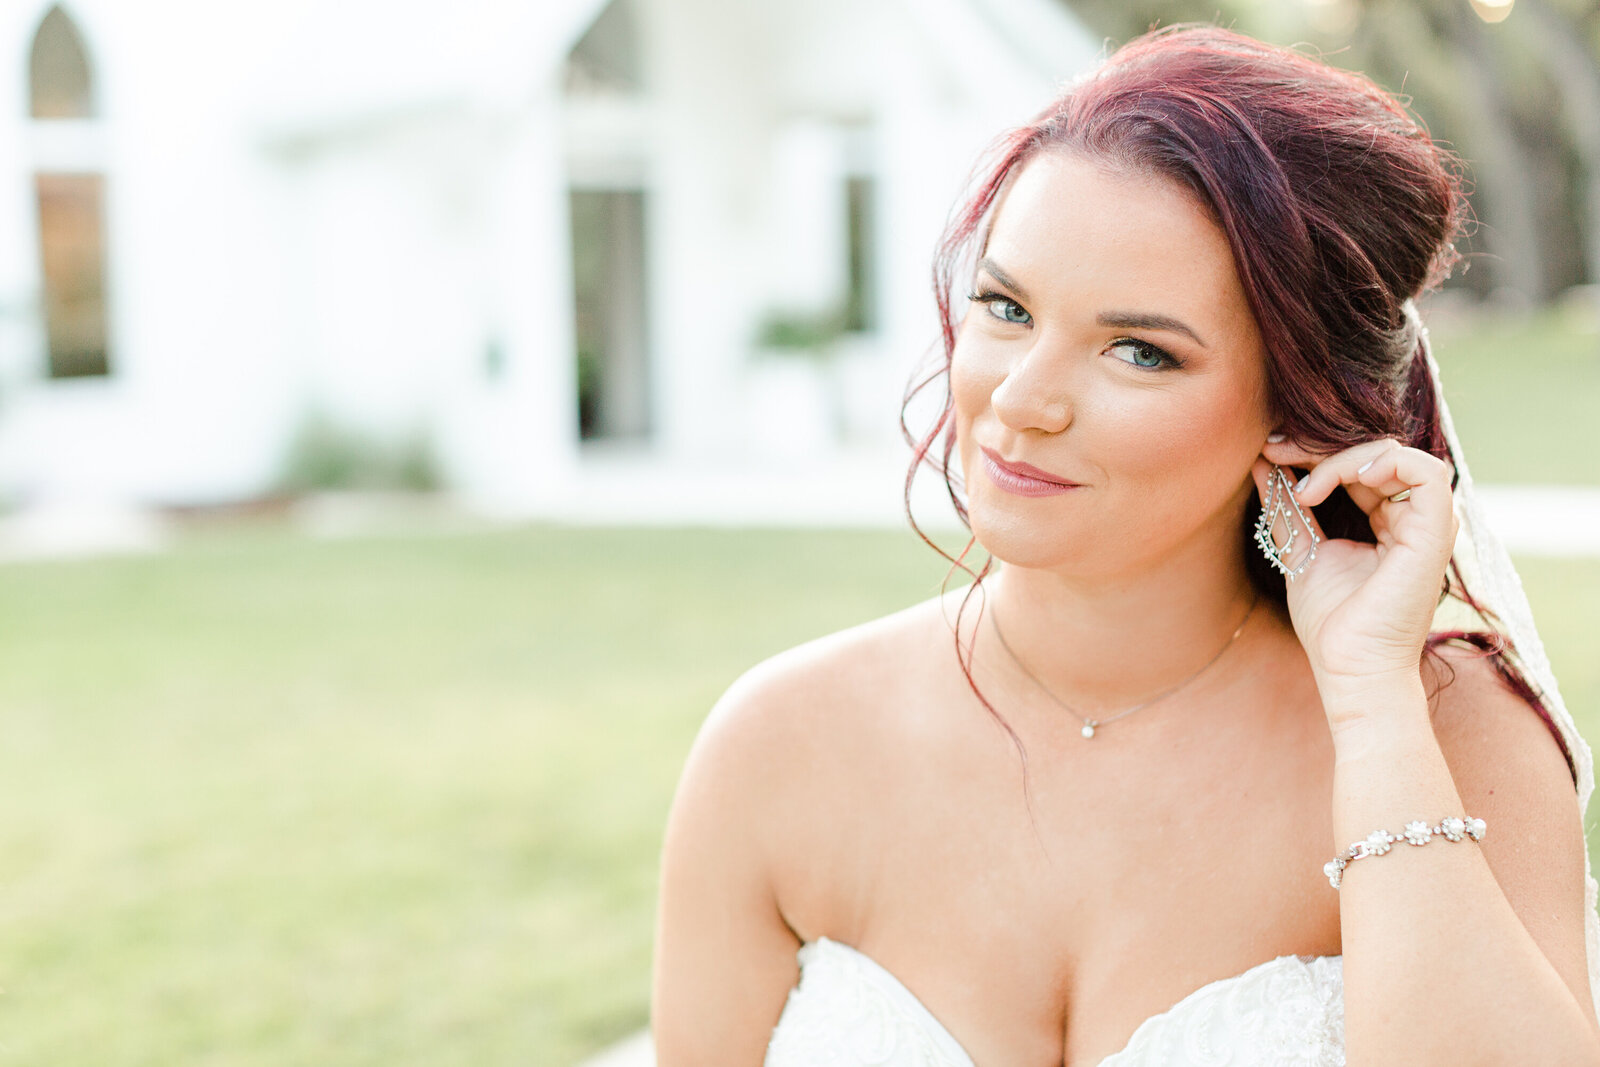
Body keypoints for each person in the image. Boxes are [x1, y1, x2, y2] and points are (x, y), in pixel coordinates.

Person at [651, 23, 1600, 1065]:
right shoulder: (779, 744)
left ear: (1297, 405)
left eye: (1139, 350)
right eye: (1005, 306)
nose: (1019, 399)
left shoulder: (1456, 734)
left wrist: (1372, 703)